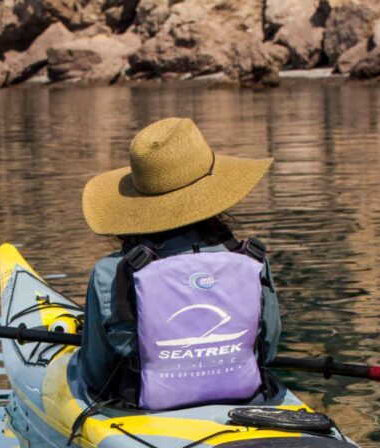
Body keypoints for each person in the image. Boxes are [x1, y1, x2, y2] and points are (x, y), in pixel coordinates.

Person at [79, 117, 281, 410]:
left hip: (141, 408)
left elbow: (95, 374)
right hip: (247, 397)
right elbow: (268, 349)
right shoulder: (250, 260)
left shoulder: (110, 272)